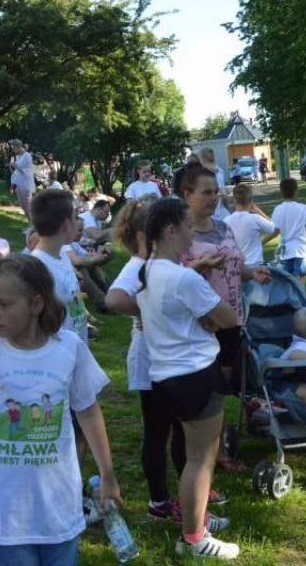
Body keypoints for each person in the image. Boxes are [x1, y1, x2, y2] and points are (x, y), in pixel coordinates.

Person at [0, 255, 121, 566]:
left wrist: (107, 474)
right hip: (3, 507)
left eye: (4, 304)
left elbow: (88, 412)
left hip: (58, 503)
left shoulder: (69, 348)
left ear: (36, 304)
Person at [105, 202, 228, 529]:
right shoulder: (139, 265)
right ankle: (162, 502)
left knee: (181, 433)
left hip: (166, 358)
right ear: (150, 234)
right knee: (158, 432)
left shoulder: (158, 266)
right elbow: (113, 299)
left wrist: (198, 267)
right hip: (156, 360)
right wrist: (150, 311)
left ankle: (191, 500)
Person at [138, 198, 241, 560]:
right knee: (200, 460)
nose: (192, 235)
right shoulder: (183, 277)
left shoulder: (148, 271)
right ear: (171, 231)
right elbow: (228, 318)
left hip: (165, 375)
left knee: (193, 457)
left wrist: (203, 317)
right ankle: (194, 538)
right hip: (195, 374)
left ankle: (197, 519)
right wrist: (208, 317)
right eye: (187, 228)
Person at [181, 165, 269, 473]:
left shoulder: (224, 227)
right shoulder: (180, 234)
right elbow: (169, 277)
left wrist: (253, 273)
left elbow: (236, 268)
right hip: (200, 323)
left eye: (216, 192)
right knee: (206, 388)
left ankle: (215, 449)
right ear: (187, 195)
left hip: (230, 319)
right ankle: (206, 453)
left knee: (222, 386)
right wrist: (201, 264)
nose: (214, 197)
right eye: (206, 192)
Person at [30, 189, 91, 344]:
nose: (77, 222)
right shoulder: (40, 269)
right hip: (60, 351)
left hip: (76, 347)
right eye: (74, 217)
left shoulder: (61, 253)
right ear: (65, 226)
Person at [271, 179, 306, 285]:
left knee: (285, 278)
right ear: (296, 191)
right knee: (301, 276)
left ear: (281, 192)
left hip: (285, 249)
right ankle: (301, 293)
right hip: (300, 249)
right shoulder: (303, 208)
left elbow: (275, 229)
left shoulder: (278, 209)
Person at [224, 184, 276, 267]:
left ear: (234, 200)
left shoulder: (226, 220)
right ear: (251, 200)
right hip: (255, 266)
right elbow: (275, 228)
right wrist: (257, 210)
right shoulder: (255, 218)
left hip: (236, 267)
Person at [8, 139, 35, 223]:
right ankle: (30, 224)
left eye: (14, 148)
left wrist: (15, 165)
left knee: (28, 205)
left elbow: (28, 172)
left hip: (26, 184)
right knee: (22, 205)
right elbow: (17, 172)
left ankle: (34, 225)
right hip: (19, 184)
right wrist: (12, 167)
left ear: (19, 146)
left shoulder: (27, 156)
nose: (13, 150)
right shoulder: (19, 156)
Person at [199, 148, 229, 221]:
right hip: (222, 210)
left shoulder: (203, 173)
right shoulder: (220, 171)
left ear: (202, 159)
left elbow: (220, 192)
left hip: (211, 211)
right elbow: (223, 194)